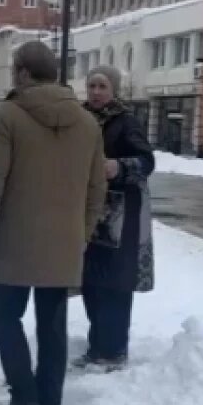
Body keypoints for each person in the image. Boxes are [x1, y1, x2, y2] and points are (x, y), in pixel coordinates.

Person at [0, 41, 105, 405]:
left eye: (15, 69)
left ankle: (23, 392)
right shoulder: (87, 123)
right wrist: (83, 232)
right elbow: (97, 189)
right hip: (64, 241)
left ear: (24, 73)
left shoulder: (8, 115)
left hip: (14, 237)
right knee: (53, 325)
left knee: (4, 314)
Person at [74, 66, 155, 371]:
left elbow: (146, 161)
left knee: (116, 284)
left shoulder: (126, 121)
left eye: (102, 86)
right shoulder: (80, 119)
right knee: (91, 280)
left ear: (114, 90)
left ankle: (114, 350)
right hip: (89, 212)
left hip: (122, 216)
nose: (95, 92)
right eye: (92, 85)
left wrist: (119, 167)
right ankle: (98, 345)